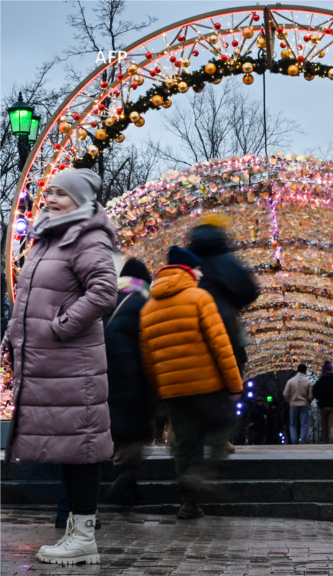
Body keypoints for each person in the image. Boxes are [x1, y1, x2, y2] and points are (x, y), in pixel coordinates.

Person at [5, 168, 117, 566]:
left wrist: (61, 327)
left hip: (75, 363)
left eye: (61, 194)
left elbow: (104, 290)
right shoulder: (50, 238)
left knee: (82, 449)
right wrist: (13, 334)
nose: (50, 199)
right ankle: (76, 530)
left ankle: (84, 535)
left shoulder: (87, 236)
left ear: (81, 200)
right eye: (49, 192)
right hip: (54, 363)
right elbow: (31, 296)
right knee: (72, 449)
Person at [139, 246, 243, 520]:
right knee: (223, 424)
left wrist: (156, 395)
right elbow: (220, 346)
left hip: (173, 391)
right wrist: (234, 386)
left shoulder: (148, 307)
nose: (199, 274)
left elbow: (148, 358)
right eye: (197, 269)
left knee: (185, 444)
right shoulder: (199, 298)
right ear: (188, 270)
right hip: (205, 385)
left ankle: (188, 502)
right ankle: (202, 473)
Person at [103, 258, 154, 507]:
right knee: (136, 433)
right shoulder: (146, 303)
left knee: (118, 430)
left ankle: (129, 490)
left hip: (104, 376)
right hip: (135, 376)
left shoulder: (106, 301)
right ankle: (127, 475)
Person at [185, 217, 260, 374]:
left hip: (190, 333)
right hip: (222, 326)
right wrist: (234, 302)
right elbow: (250, 291)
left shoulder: (185, 263)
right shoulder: (226, 259)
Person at [313, 361, 333, 444]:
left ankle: (326, 441)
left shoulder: (320, 382)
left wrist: (319, 398)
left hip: (323, 405)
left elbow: (314, 392)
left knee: (324, 424)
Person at [283, 364, 313, 444]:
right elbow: (311, 394)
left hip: (293, 405)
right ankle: (302, 441)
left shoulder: (291, 381)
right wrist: (308, 401)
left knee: (293, 424)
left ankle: (294, 441)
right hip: (304, 405)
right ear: (305, 370)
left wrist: (290, 401)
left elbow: (285, 393)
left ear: (297, 370)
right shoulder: (308, 381)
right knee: (304, 424)